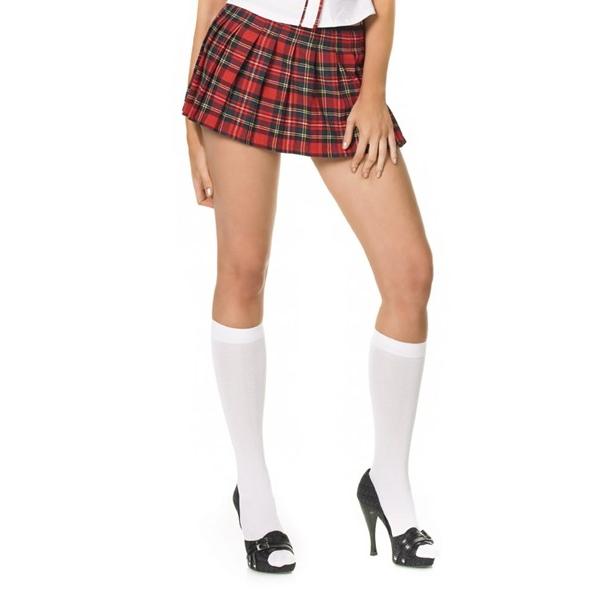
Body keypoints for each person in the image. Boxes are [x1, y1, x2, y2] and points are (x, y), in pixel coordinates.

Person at [182, 0, 436, 573]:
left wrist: (374, 93)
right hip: (246, 48)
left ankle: (388, 480)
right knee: (243, 270)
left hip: (342, 60)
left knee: (409, 273)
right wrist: (190, 116)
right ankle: (253, 489)